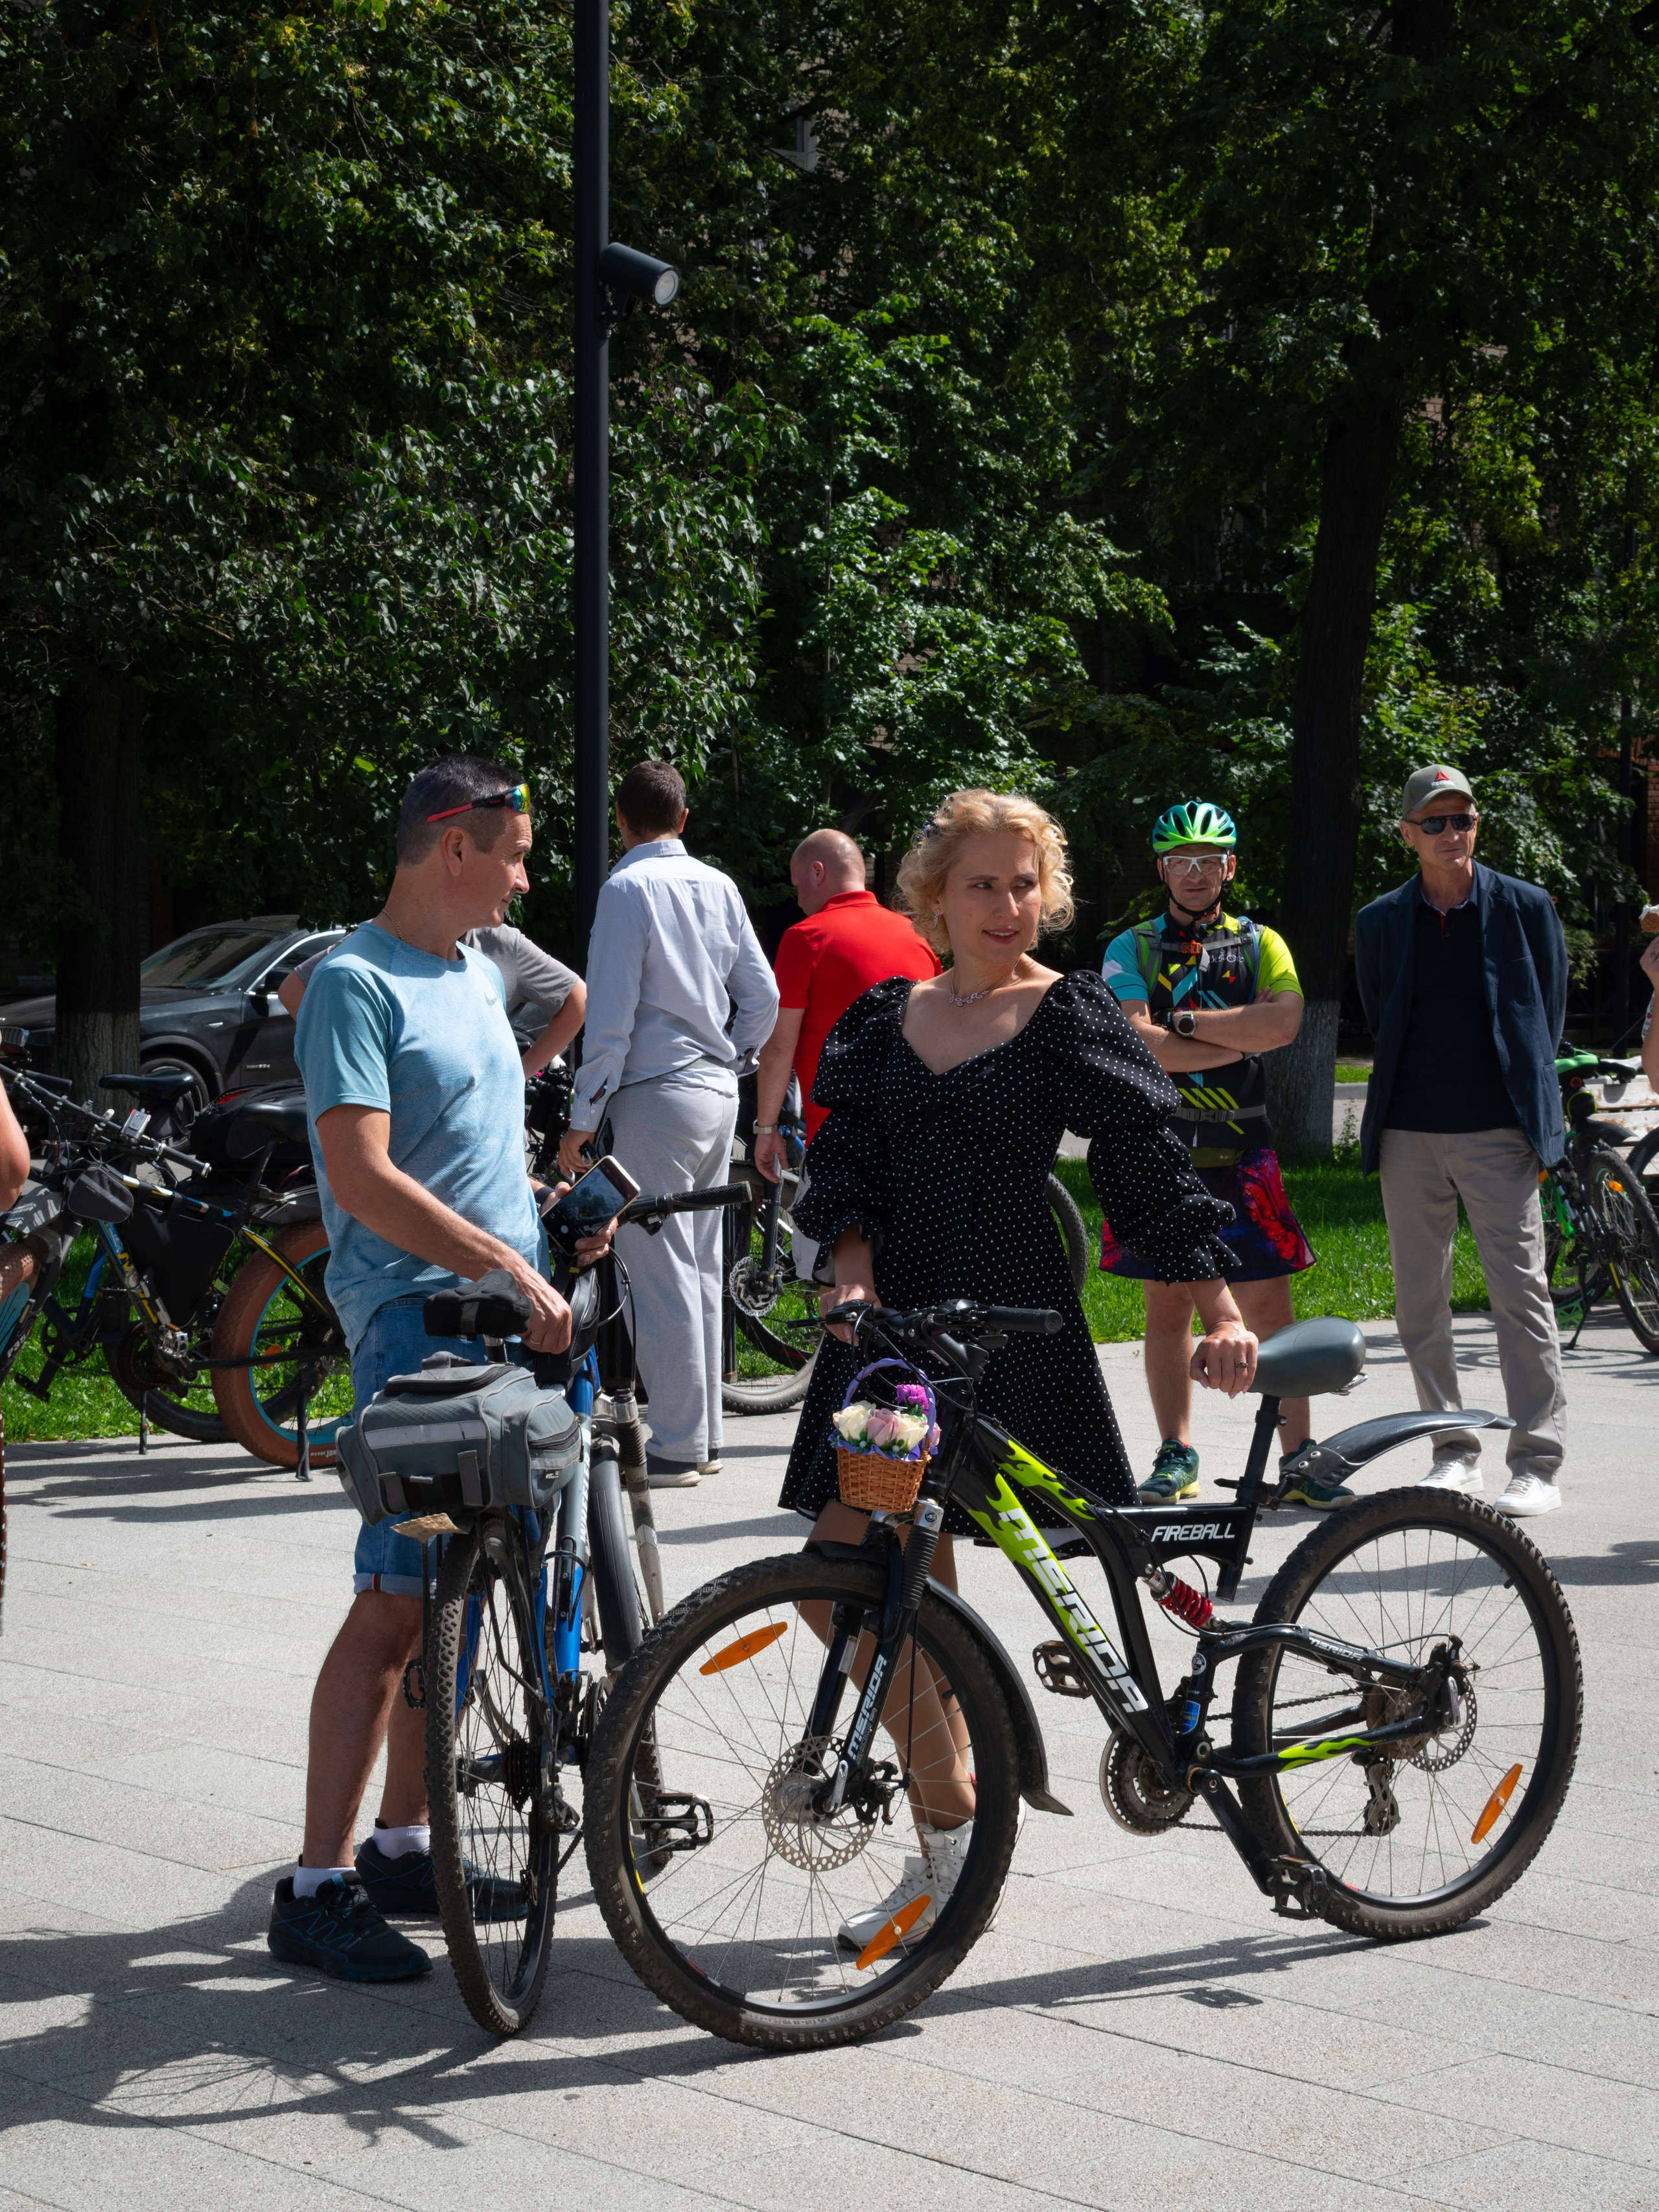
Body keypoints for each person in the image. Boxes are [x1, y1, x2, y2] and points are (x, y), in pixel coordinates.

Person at [780, 787, 1257, 1948]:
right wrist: (849, 1271)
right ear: (933, 895)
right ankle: (960, 1833)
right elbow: (847, 1163)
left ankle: (949, 1855)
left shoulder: (1068, 1012)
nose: (1009, 905)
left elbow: (1150, 1170)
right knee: (852, 1587)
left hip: (1008, 1335)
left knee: (907, 1591)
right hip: (896, 1348)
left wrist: (1222, 1308)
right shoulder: (891, 1014)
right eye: (984, 884)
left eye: (1026, 883)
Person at [268, 755, 612, 1983]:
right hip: (417, 1326)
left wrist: (549, 1217)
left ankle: (408, 1844)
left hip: (503, 1317)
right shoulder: (354, 985)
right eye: (515, 852)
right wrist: (499, 1265)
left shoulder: (472, 972)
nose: (527, 875)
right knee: (396, 1603)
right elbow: (359, 1177)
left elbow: (472, 1149)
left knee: (455, 1607)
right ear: (453, 842)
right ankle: (314, 1884)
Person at [1100, 802, 1331, 1506]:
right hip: (1159, 1155)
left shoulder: (1264, 942)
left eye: (1207, 861)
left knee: (1268, 1303)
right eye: (1179, 862)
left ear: (1229, 867)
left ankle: (1298, 1458)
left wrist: (1189, 1024)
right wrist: (1238, 1037)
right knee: (1167, 1307)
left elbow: (1284, 1023)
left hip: (1244, 1149)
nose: (1193, 874)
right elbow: (1139, 1042)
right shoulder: (1128, 947)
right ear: (1162, 869)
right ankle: (1176, 1452)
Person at [557, 760, 778, 1488]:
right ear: (683, 818)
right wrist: (735, 1057)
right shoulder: (718, 884)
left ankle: (681, 1443)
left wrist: (580, 1118)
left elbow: (610, 1018)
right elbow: (763, 994)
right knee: (700, 1259)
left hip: (655, 1091)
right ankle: (701, 1432)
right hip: (716, 1092)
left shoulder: (626, 889)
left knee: (661, 1266)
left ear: (622, 820)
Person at [1356, 763, 1569, 1517]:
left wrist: (1533, 1116)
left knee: (1521, 1294)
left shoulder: (1525, 905)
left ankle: (1537, 1460)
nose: (1453, 833)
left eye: (1464, 820)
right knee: (1420, 1303)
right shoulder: (1381, 919)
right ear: (1407, 833)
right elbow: (1381, 1013)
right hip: (1409, 1133)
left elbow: (1546, 1010)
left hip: (1498, 1132)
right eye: (1435, 822)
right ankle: (1452, 1450)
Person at [280, 922, 586, 1077]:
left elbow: (578, 1000)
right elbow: (294, 990)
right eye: (510, 858)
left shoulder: (502, 944)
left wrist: (521, 1072)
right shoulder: (388, 935)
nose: (521, 882)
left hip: (489, 1142)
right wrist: (360, 1061)